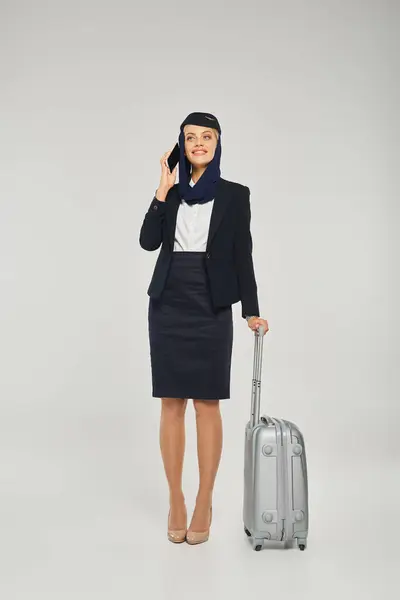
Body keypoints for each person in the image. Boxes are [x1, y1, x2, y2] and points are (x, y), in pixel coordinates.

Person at [139, 112, 269, 545]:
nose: (198, 143)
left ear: (217, 144)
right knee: (171, 403)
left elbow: (242, 255)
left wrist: (250, 310)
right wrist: (161, 188)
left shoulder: (235, 195)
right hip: (169, 302)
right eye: (190, 137)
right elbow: (148, 242)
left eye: (206, 137)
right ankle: (176, 497)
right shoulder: (171, 194)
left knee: (206, 404)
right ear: (181, 145)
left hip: (210, 304)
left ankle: (204, 500)